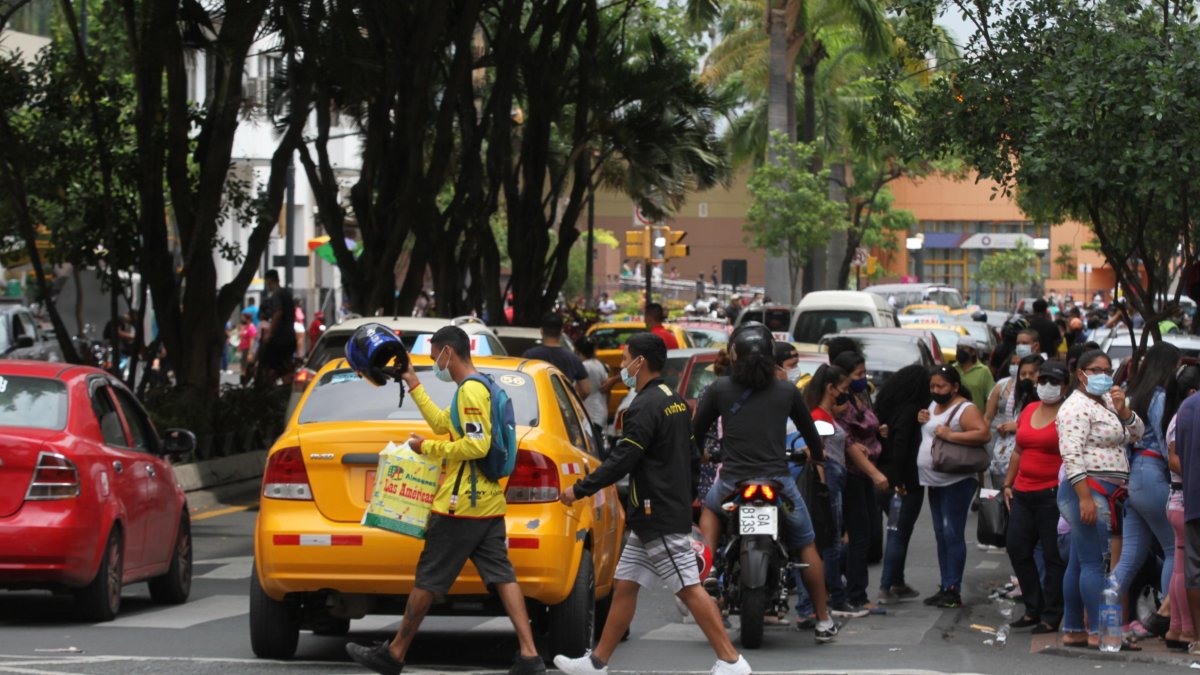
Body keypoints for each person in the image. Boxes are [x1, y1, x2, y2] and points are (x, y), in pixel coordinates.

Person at [346, 326, 545, 675]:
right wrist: (413, 381)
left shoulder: (470, 391)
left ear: (448, 353)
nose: (434, 362)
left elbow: (475, 446)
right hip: (487, 504)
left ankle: (394, 654)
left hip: (460, 507)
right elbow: (444, 424)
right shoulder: (479, 386)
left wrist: (427, 448)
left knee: (428, 580)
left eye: (435, 354)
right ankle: (530, 655)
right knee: (503, 576)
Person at [554, 334, 751, 675]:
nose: (621, 366)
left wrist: (580, 489)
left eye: (625, 357)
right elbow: (692, 455)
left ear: (640, 361)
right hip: (657, 512)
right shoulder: (672, 399)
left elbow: (624, 458)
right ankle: (597, 662)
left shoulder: (643, 407)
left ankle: (731, 660)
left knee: (689, 588)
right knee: (625, 586)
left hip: (655, 513)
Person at [693, 323, 839, 642]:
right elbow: (811, 433)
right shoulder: (786, 391)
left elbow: (696, 431)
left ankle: (713, 570)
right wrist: (817, 455)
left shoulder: (720, 389)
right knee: (805, 542)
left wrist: (700, 455)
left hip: (732, 480)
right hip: (779, 481)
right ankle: (824, 619)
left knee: (710, 510)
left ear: (735, 355)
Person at [1057, 349, 1144, 649]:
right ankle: (1098, 631)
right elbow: (1071, 456)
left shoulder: (1108, 402)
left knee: (1080, 564)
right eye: (1096, 370)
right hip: (1086, 490)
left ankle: (1074, 629)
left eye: (1108, 369)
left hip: (1105, 491)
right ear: (1081, 374)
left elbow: (1137, 433)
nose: (1104, 375)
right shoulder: (1074, 408)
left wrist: (1123, 411)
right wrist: (1084, 499)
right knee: (1094, 563)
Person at [1113, 343, 1181, 630]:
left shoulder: (1135, 394)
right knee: (1173, 549)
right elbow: (1168, 445)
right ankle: (1170, 620)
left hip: (1134, 476)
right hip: (1153, 474)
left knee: (1130, 556)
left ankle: (1102, 615)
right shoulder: (1160, 398)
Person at [1002, 360, 1070, 634]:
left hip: (1053, 494)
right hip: (1022, 492)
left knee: (1053, 557)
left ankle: (1051, 615)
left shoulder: (1068, 414)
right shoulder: (1029, 409)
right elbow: (1018, 450)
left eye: (1053, 382)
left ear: (1064, 386)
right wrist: (1008, 483)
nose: (1047, 387)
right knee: (1017, 548)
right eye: (1043, 381)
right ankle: (1033, 607)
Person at [916, 366, 992, 609]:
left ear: (955, 387)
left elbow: (983, 434)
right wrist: (923, 418)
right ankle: (945, 584)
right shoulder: (934, 405)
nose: (936, 391)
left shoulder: (965, 408)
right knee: (940, 533)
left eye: (942, 386)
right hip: (933, 480)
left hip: (956, 481)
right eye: (932, 387)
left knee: (952, 533)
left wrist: (951, 435)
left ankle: (953, 588)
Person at [831, 350, 890, 615]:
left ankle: (849, 589)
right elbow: (849, 441)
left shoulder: (860, 395)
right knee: (858, 534)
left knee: (863, 533)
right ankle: (854, 594)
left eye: (863, 372)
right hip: (853, 474)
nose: (862, 378)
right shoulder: (840, 403)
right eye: (857, 374)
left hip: (865, 472)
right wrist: (875, 474)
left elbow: (865, 425)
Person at [875, 364, 932, 605]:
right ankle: (886, 586)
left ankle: (897, 582)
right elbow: (901, 447)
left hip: (882, 476)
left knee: (898, 531)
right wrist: (899, 481)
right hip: (905, 482)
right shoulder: (910, 412)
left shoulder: (885, 409)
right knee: (898, 532)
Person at [802, 365, 852, 616]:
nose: (844, 394)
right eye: (842, 390)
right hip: (828, 479)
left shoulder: (826, 414)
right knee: (830, 539)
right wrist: (821, 484)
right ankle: (834, 597)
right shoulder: (819, 417)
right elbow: (816, 455)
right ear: (830, 388)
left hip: (833, 477)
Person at [1166, 366, 1200, 650]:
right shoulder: (1188, 410)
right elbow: (1175, 458)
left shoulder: (1185, 410)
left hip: (1188, 500)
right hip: (1185, 499)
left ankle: (1190, 634)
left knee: (1188, 569)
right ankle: (1187, 631)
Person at [985, 354, 1043, 491]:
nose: (1027, 378)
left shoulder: (1045, 398)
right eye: (1023, 374)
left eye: (1032, 374)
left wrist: (1017, 427)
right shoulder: (1015, 394)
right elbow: (988, 417)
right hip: (1006, 460)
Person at [523, 313, 590, 399]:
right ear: (561, 332)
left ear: (541, 331)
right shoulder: (573, 358)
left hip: (537, 408)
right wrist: (571, 402)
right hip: (562, 410)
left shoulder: (529, 356)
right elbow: (586, 390)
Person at [256, 269, 297, 384]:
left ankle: (269, 394)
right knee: (286, 369)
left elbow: (278, 313)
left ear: (270, 281)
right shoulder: (287, 294)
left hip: (279, 339)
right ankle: (287, 391)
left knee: (269, 367)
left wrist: (270, 334)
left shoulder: (276, 294)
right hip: (290, 338)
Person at [576, 338, 609, 454]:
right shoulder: (600, 365)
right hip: (600, 410)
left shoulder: (584, 366)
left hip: (590, 411)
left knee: (593, 447)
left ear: (579, 351)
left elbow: (582, 390)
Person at [953, 337, 994, 410]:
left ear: (973, 352)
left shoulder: (983, 371)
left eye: (963, 349)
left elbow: (991, 398)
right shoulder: (953, 369)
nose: (960, 351)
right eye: (958, 348)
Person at [237, 310, 258, 385]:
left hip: (247, 349)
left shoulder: (251, 328)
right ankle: (243, 383)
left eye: (243, 318)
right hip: (243, 349)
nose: (242, 319)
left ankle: (245, 382)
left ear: (247, 319)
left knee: (246, 368)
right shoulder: (245, 327)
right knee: (242, 367)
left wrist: (250, 353)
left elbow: (251, 342)